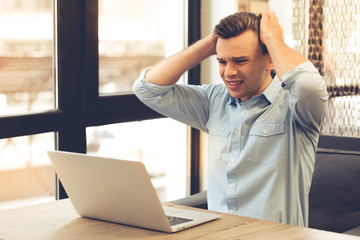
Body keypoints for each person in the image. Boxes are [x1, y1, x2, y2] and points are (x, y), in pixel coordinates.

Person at [133, 11, 328, 227]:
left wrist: (273, 39)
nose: (229, 72)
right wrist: (209, 44)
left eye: (240, 61)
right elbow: (147, 89)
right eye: (222, 61)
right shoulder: (213, 101)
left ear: (270, 60)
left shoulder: (296, 106)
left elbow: (309, 85)